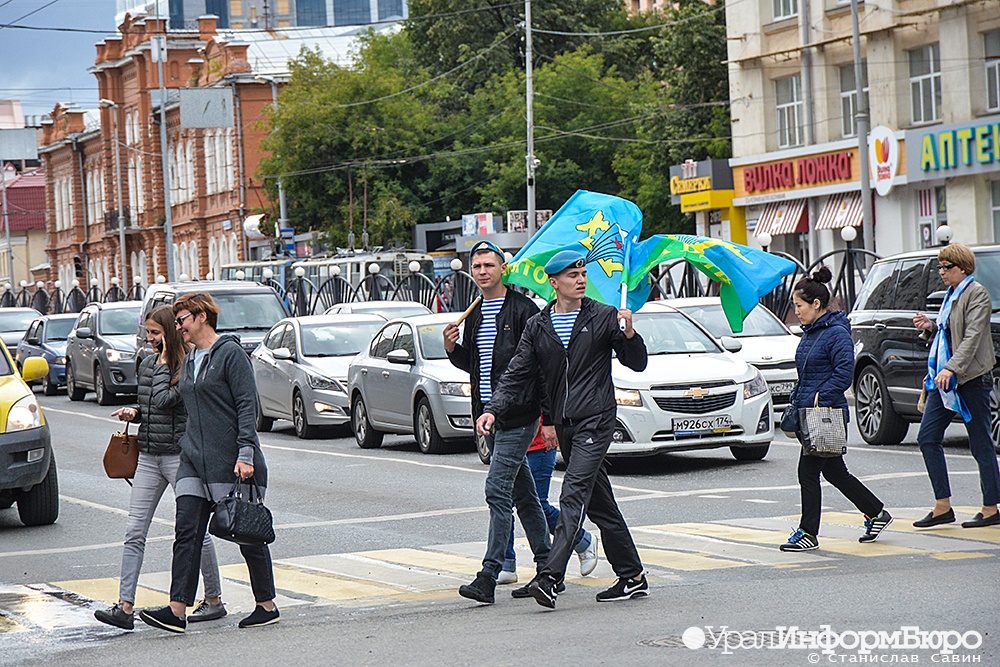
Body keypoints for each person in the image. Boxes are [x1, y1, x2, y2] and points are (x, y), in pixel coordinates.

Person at [477, 249, 648, 609]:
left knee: (572, 494)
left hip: (596, 420)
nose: (581, 279)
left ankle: (550, 577)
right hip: (567, 425)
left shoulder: (603, 317)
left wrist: (630, 335)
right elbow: (517, 373)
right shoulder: (538, 326)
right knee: (601, 505)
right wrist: (493, 409)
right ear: (554, 283)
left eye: (582, 273)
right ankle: (633, 576)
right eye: (572, 275)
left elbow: (638, 364)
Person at [139, 293, 278, 633]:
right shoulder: (189, 359)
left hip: (229, 460)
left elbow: (247, 405)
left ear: (202, 316)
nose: (178, 326)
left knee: (246, 533)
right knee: (186, 531)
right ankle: (177, 609)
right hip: (193, 459)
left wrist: (245, 454)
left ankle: (266, 604)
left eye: (182, 318)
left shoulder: (230, 354)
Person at [94, 306, 226, 630]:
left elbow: (168, 400)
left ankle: (214, 600)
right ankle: (124, 607)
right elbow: (151, 404)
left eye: (155, 333)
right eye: (148, 333)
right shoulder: (150, 362)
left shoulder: (187, 364)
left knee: (194, 532)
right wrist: (134, 413)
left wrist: (168, 364)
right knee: (134, 531)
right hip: (150, 456)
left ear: (169, 331)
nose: (150, 339)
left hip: (180, 457)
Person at [443, 241, 553, 604]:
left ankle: (488, 575)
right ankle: (549, 568)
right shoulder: (474, 314)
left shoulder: (523, 311)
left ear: (503, 269)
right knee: (524, 494)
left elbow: (539, 369)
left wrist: (546, 417)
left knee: (497, 490)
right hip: (490, 416)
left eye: (489, 265)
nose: (482, 272)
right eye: (476, 267)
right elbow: (476, 366)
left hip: (519, 414)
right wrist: (452, 349)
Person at [780, 267, 892, 552]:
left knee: (808, 472)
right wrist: (799, 396)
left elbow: (844, 374)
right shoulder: (811, 332)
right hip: (811, 412)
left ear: (816, 304)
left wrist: (820, 397)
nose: (797, 311)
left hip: (826, 414)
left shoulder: (836, 333)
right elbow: (808, 373)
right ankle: (876, 513)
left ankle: (808, 532)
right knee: (835, 472)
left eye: (800, 306)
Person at [911, 244, 1000, 529]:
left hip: (970, 379)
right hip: (945, 380)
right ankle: (942, 506)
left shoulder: (977, 294)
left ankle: (990, 508)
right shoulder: (950, 296)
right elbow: (949, 334)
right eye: (940, 267)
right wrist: (930, 326)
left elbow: (972, 338)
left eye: (947, 267)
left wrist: (951, 367)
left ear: (963, 267)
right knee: (927, 437)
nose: (942, 273)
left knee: (980, 443)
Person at [500, 424, 598, 585]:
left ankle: (582, 540)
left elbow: (548, 401)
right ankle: (506, 564)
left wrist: (549, 424)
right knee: (504, 503)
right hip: (509, 441)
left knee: (537, 506)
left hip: (538, 443)